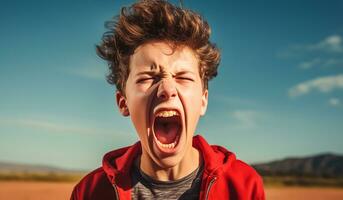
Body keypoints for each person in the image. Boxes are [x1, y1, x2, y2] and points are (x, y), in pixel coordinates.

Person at [70, 0, 265, 199]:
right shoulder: (89, 192)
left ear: (203, 100)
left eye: (183, 77)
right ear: (123, 102)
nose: (167, 89)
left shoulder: (244, 187)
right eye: (147, 77)